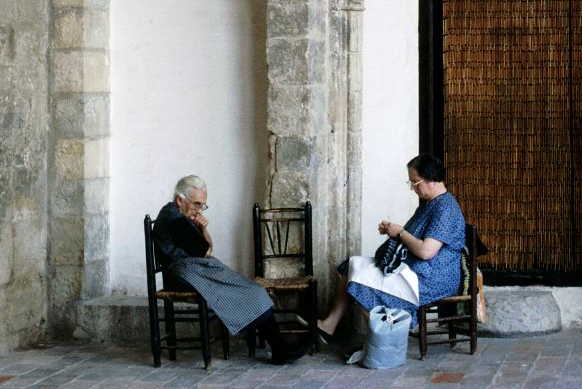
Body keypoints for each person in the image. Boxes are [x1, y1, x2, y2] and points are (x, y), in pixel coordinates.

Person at [151, 175, 312, 365]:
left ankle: (279, 347)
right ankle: (280, 348)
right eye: (196, 204)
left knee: (253, 289)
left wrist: (202, 229)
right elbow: (205, 250)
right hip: (183, 273)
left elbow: (206, 248)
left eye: (203, 205)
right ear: (180, 200)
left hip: (193, 269)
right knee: (252, 291)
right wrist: (202, 231)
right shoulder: (174, 219)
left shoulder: (177, 215)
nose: (199, 210)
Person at [316, 153, 466, 343]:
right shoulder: (429, 205)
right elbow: (412, 237)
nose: (412, 188)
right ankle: (329, 326)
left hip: (432, 277)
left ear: (432, 179)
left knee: (364, 286)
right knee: (352, 265)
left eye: (415, 183)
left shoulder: (446, 209)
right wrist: (392, 231)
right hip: (415, 270)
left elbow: (426, 252)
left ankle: (383, 345)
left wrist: (400, 233)